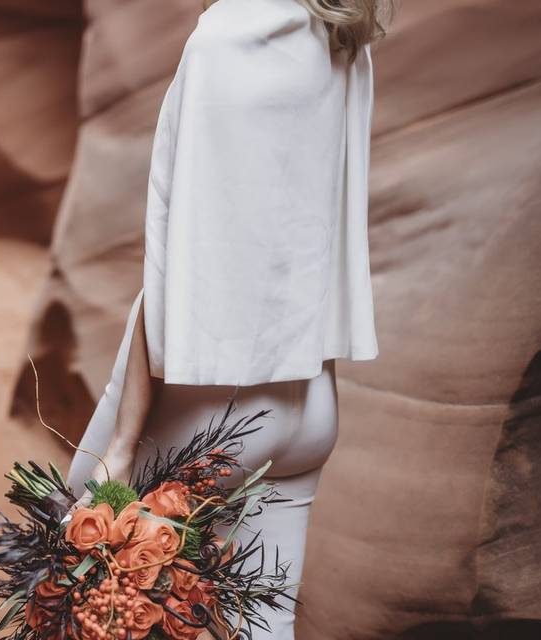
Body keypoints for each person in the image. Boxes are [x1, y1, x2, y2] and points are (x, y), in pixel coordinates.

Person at [66, 1, 391, 637]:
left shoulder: (229, 35)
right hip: (311, 400)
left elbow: (175, 261)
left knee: (76, 544)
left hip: (218, 406)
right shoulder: (341, 32)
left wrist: (124, 445)